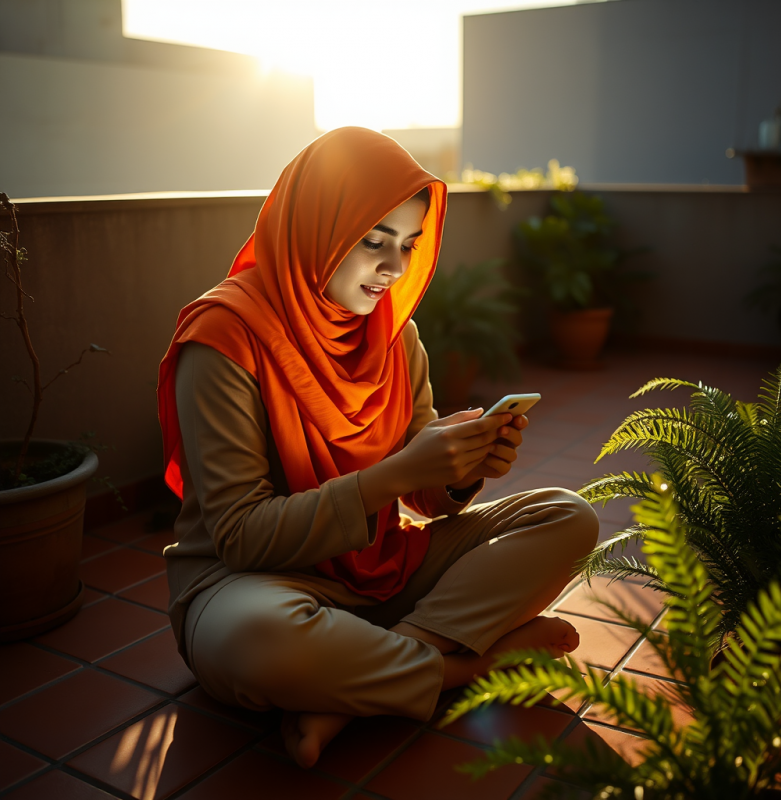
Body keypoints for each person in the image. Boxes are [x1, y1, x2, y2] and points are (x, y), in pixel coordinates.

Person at [157, 127, 598, 769]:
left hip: (379, 569)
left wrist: (457, 472)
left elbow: (423, 496)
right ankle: (468, 665)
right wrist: (392, 477)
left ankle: (357, 683)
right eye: (374, 242)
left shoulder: (394, 334)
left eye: (410, 245)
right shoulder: (223, 338)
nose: (394, 269)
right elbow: (241, 537)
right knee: (256, 643)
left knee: (568, 516)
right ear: (317, 227)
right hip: (251, 584)